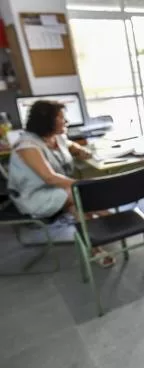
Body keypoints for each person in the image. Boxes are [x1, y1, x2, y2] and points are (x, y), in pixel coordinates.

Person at [8, 100, 115, 267]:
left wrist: (79, 150)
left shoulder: (56, 137)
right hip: (33, 196)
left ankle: (95, 247)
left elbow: (69, 145)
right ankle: (112, 220)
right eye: (61, 118)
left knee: (77, 204)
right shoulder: (27, 146)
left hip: (58, 190)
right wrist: (82, 185)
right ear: (47, 122)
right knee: (79, 194)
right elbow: (50, 178)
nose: (66, 121)